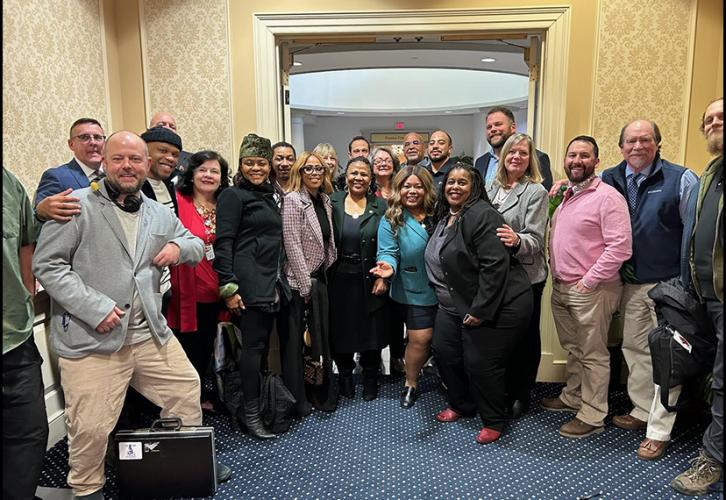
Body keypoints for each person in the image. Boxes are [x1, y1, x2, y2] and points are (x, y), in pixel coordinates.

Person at [32, 131, 231, 499]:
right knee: (91, 426)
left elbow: (193, 242)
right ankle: (87, 489)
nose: (128, 166)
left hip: (148, 332)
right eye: (119, 158)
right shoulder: (75, 205)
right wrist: (95, 307)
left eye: (136, 159)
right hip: (92, 338)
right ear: (104, 162)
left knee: (186, 389)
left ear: (146, 165)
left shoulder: (157, 210)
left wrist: (176, 246)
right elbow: (48, 266)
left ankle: (190, 457)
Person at [600, 120, 698, 461]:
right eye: (630, 140)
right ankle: (643, 409)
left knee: (666, 357)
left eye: (645, 139)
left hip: (669, 285)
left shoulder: (681, 178)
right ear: (621, 146)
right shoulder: (610, 178)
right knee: (635, 348)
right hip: (630, 282)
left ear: (658, 143)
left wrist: (688, 282)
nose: (637, 146)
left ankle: (659, 430)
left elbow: (694, 232)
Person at [425, 163, 532, 444]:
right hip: (453, 304)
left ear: (474, 187)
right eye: (451, 182)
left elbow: (494, 266)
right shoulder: (444, 215)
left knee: (481, 363)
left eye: (463, 182)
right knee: (444, 352)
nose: (455, 186)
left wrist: (481, 310)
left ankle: (494, 419)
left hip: (499, 303)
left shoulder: (482, 215)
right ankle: (462, 404)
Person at [542, 135, 633, 439]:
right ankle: (573, 396)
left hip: (592, 290)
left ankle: (593, 415)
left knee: (593, 354)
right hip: (562, 287)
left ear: (596, 162)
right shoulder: (567, 194)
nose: (576, 161)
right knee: (574, 348)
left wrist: (588, 280)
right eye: (571, 155)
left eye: (584, 156)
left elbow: (620, 247)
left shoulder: (607, 197)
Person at [214, 134, 289, 439]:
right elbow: (224, 243)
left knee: (258, 351)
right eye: (249, 163)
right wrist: (229, 287)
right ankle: (251, 413)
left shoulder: (269, 194)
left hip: (269, 282)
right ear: (241, 165)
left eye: (261, 162)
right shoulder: (233, 196)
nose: (256, 168)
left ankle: (257, 406)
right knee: (253, 351)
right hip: (247, 284)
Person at [670, 97, 723, 496]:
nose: (714, 123)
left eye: (722, 117)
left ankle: (713, 460)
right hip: (706, 295)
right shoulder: (711, 172)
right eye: (709, 119)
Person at [486, 133, 548, 418]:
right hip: (496, 275)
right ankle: (501, 389)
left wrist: (516, 240)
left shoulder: (536, 192)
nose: (516, 157)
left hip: (526, 277)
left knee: (525, 337)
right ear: (503, 156)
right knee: (500, 336)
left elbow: (536, 240)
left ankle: (522, 393)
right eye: (512, 152)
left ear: (530, 159)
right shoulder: (490, 188)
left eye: (523, 153)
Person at [165, 150, 230, 414]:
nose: (208, 175)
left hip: (223, 287)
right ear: (190, 175)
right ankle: (190, 400)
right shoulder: (179, 201)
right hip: (189, 290)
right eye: (202, 170)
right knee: (191, 347)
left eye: (215, 171)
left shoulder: (227, 204)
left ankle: (212, 392)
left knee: (216, 348)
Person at [371, 165, 438, 408]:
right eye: (406, 186)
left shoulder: (439, 213)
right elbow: (388, 251)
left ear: (426, 188)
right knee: (420, 338)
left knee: (436, 340)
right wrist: (388, 268)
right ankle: (411, 383)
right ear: (399, 189)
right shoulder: (392, 218)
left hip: (442, 288)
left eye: (418, 186)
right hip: (411, 288)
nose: (412, 191)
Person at [279, 151, 337, 415]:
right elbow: (291, 243)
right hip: (299, 282)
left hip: (320, 279)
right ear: (299, 172)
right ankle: (299, 401)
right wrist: (304, 286)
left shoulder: (324, 200)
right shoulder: (292, 200)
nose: (314, 173)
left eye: (319, 169)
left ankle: (319, 393)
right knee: (298, 345)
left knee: (319, 342)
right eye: (309, 169)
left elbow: (327, 242)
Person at [3, 168, 49, 500]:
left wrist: (27, 294)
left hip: (15, 334)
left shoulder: (9, 183)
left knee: (30, 432)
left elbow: (25, 243)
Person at [329, 157, 388, 401]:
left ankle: (371, 376)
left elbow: (388, 243)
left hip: (370, 277)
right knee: (340, 329)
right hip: (338, 279)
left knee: (370, 330)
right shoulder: (331, 203)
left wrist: (384, 276)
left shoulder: (381, 206)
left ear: (370, 178)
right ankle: (344, 375)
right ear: (346, 176)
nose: (358, 178)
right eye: (354, 173)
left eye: (364, 174)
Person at [34, 118, 106, 222]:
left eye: (98, 137)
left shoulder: (113, 175)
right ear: (71, 144)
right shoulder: (56, 176)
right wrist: (41, 211)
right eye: (85, 137)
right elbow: (38, 214)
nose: (93, 142)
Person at [474, 106, 553, 191]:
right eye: (489, 127)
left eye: (498, 124)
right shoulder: (480, 162)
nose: (493, 129)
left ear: (513, 127)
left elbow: (543, 196)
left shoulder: (538, 158)